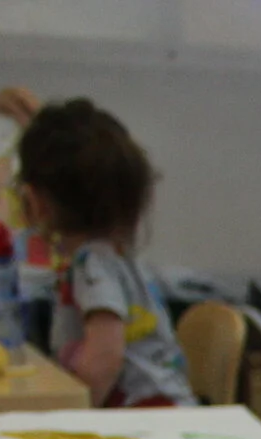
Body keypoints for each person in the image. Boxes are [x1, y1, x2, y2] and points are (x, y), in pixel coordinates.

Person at [15, 99, 193, 408]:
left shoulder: (91, 265)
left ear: (35, 201)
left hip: (143, 415)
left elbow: (105, 358)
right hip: (164, 408)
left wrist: (71, 417)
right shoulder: (117, 256)